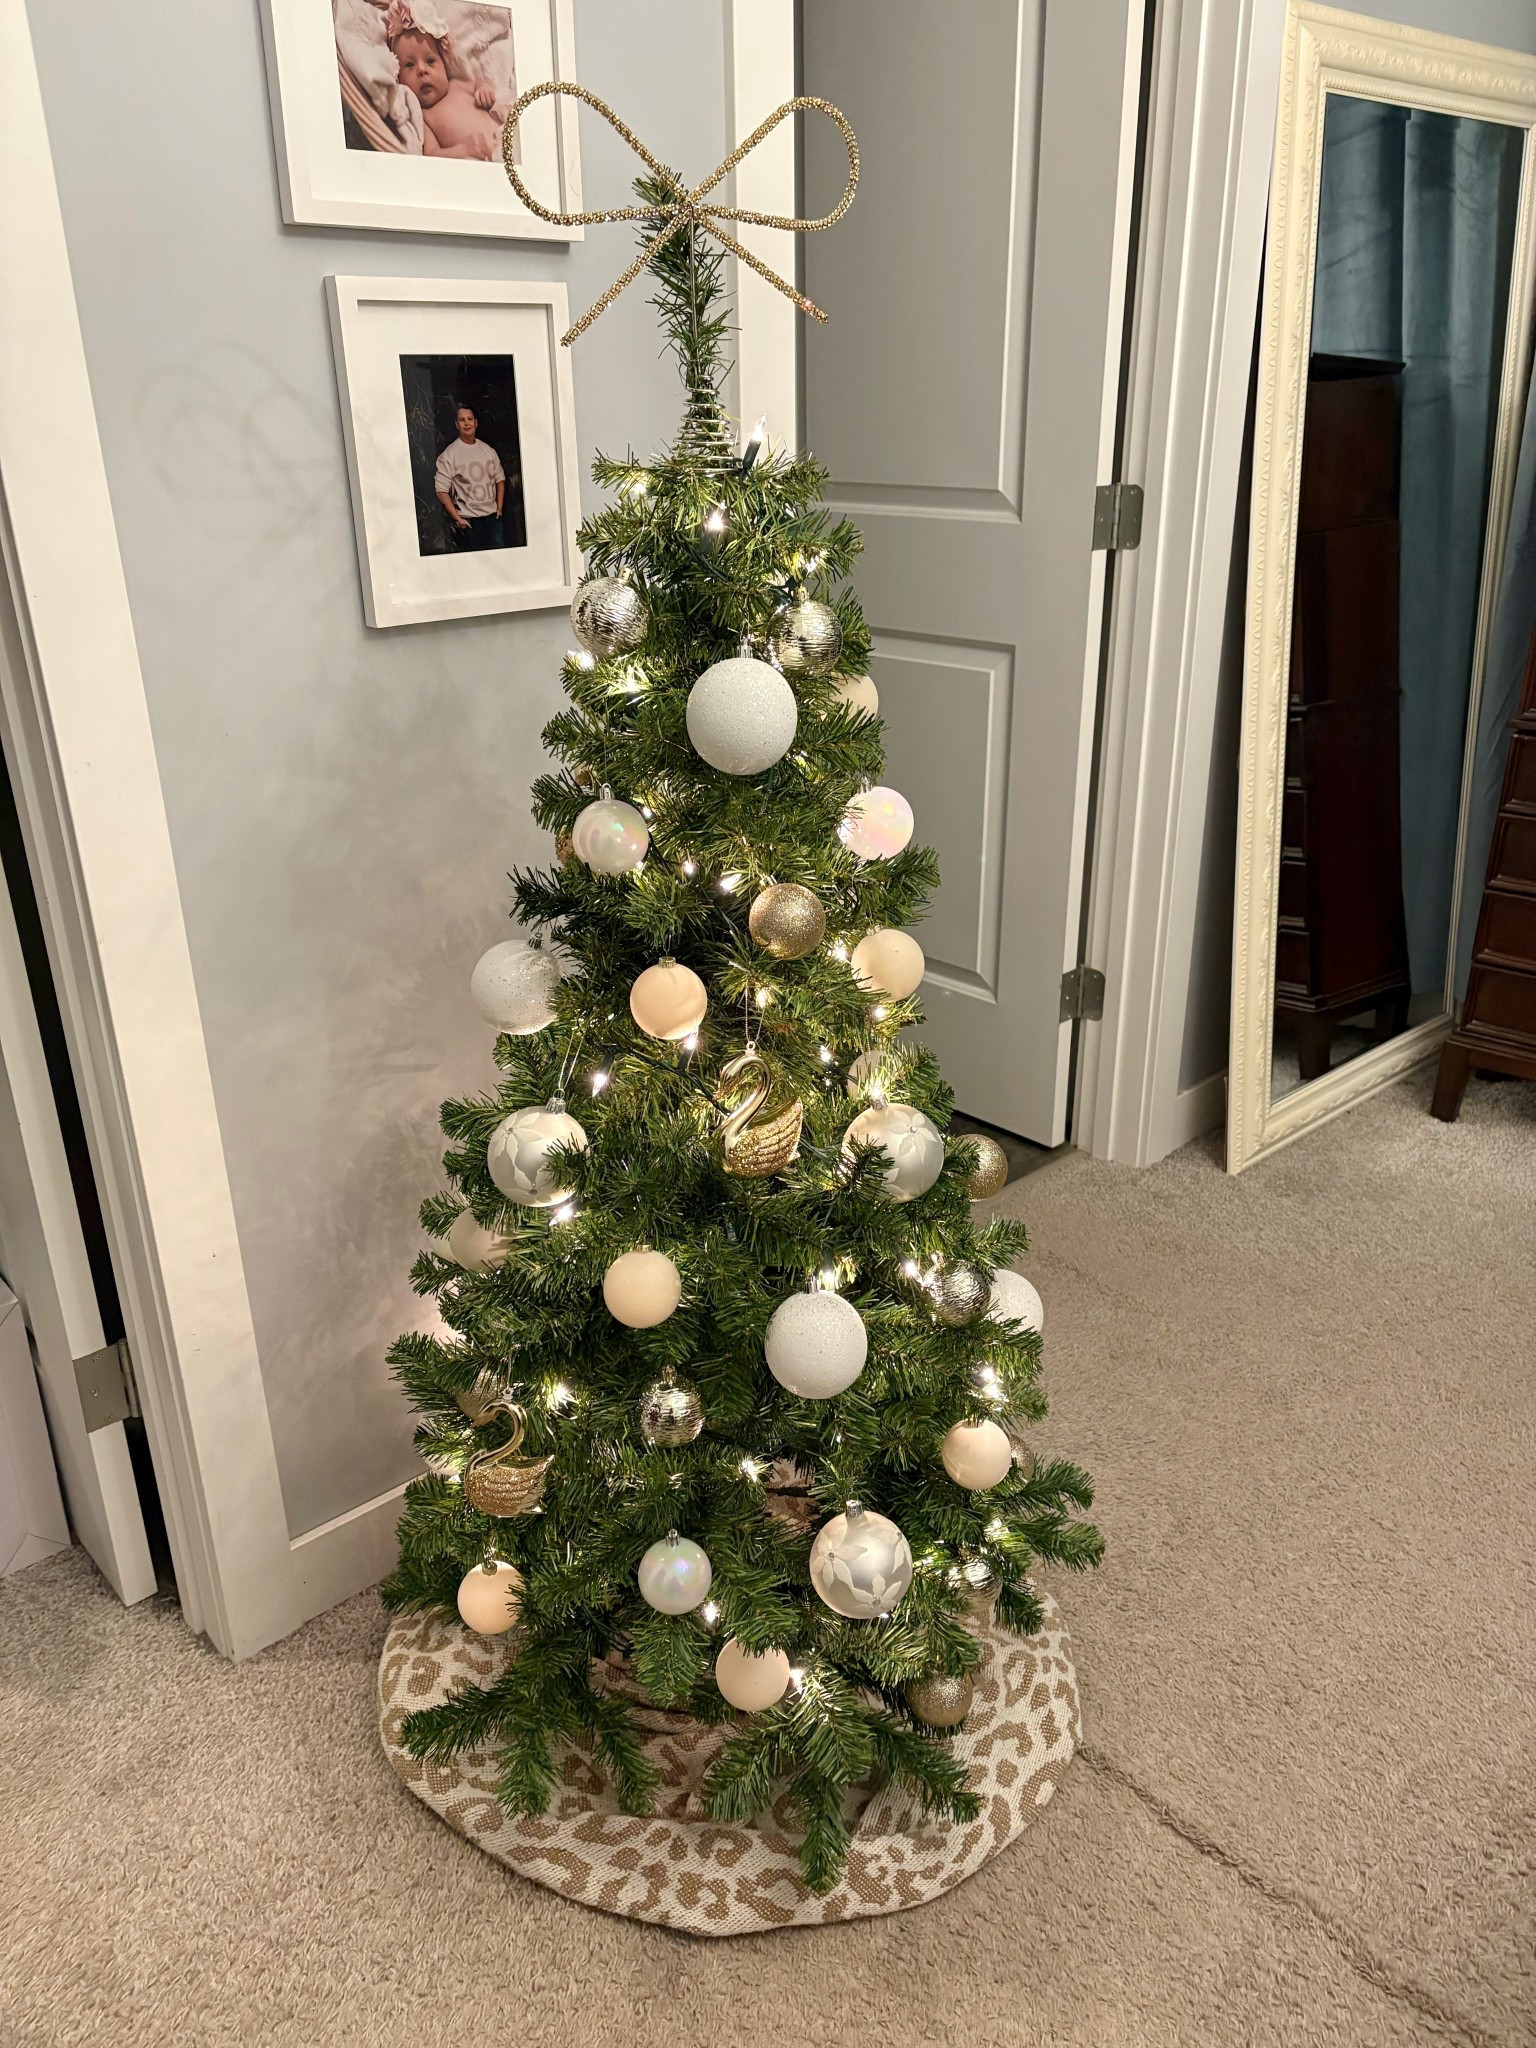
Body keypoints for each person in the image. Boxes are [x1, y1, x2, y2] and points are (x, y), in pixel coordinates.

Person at [383, 3, 501, 159]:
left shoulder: (457, 86)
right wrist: (462, 150)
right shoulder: (423, 115)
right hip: (485, 161)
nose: (422, 70)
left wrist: (484, 89)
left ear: (444, 65)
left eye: (430, 61)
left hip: (504, 137)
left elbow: (479, 83)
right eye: (410, 65)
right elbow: (431, 153)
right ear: (398, 77)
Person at [434, 405, 505, 550]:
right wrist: (458, 518)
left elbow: (500, 479)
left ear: (476, 423)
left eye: (470, 419)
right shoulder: (450, 454)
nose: (467, 423)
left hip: (493, 519)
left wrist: (499, 507)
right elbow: (441, 490)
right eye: (462, 420)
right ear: (456, 424)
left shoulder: (488, 450)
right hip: (470, 522)